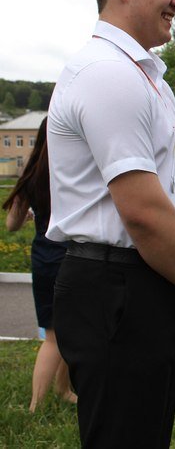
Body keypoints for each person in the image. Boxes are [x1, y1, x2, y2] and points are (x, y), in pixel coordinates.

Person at [47, 0, 175, 448]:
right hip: (116, 287)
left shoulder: (150, 81)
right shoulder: (108, 74)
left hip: (144, 283)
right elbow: (144, 214)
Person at [2, 117, 77, 412]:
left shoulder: (31, 174)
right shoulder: (71, 171)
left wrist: (34, 215)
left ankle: (63, 389)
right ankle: (35, 407)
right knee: (58, 337)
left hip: (43, 259)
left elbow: (11, 224)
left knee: (61, 332)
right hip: (70, 257)